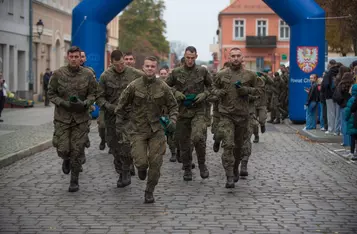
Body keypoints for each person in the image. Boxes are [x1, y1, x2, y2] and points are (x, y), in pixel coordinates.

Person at [115, 56, 178, 203]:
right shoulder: (134, 86)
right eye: (147, 66)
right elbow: (121, 107)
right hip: (137, 130)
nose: (150, 69)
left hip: (157, 130)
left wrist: (173, 120)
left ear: (156, 68)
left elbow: (173, 106)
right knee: (141, 162)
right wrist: (122, 126)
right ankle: (141, 168)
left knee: (156, 163)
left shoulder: (163, 87)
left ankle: (149, 191)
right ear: (143, 67)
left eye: (152, 66)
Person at [48, 46, 98, 192]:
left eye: (77, 57)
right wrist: (63, 103)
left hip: (80, 118)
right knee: (63, 149)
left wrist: (85, 103)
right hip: (62, 118)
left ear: (80, 58)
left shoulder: (88, 75)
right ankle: (66, 159)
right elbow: (51, 93)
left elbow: (94, 93)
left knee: (77, 150)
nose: (75, 59)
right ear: (67, 57)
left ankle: (74, 181)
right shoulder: (58, 74)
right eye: (72, 57)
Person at [96, 50, 144, 188]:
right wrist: (109, 106)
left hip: (129, 117)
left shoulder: (135, 74)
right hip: (112, 117)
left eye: (122, 64)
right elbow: (99, 97)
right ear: (112, 63)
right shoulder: (105, 76)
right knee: (114, 146)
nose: (120, 67)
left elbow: (148, 83)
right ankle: (121, 171)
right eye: (117, 65)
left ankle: (126, 171)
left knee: (127, 145)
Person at [212, 47, 259, 188]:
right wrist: (218, 92)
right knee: (228, 145)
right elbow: (212, 89)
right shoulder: (221, 75)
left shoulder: (250, 75)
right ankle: (229, 176)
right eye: (233, 56)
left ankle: (235, 167)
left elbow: (259, 92)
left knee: (238, 148)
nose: (236, 58)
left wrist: (247, 91)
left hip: (243, 117)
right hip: (226, 115)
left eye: (238, 55)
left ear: (242, 58)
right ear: (229, 58)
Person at [166, 46, 212, 181]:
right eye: (188, 58)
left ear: (196, 57)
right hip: (182, 112)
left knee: (198, 137)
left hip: (198, 111)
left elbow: (212, 87)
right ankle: (187, 169)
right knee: (184, 143)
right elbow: (165, 86)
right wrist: (176, 92)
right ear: (184, 57)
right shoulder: (176, 72)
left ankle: (202, 165)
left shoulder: (202, 71)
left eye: (192, 58)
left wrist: (204, 94)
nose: (190, 60)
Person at [322, 59, 341, 134]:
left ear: (330, 64)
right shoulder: (340, 71)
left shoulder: (328, 73)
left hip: (329, 95)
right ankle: (337, 129)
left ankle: (331, 129)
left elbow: (326, 85)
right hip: (338, 95)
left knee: (330, 113)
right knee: (338, 113)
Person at [344, 84, 357, 160]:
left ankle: (352, 152)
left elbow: (348, 110)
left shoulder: (352, 99)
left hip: (353, 121)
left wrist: (346, 118)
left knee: (352, 138)